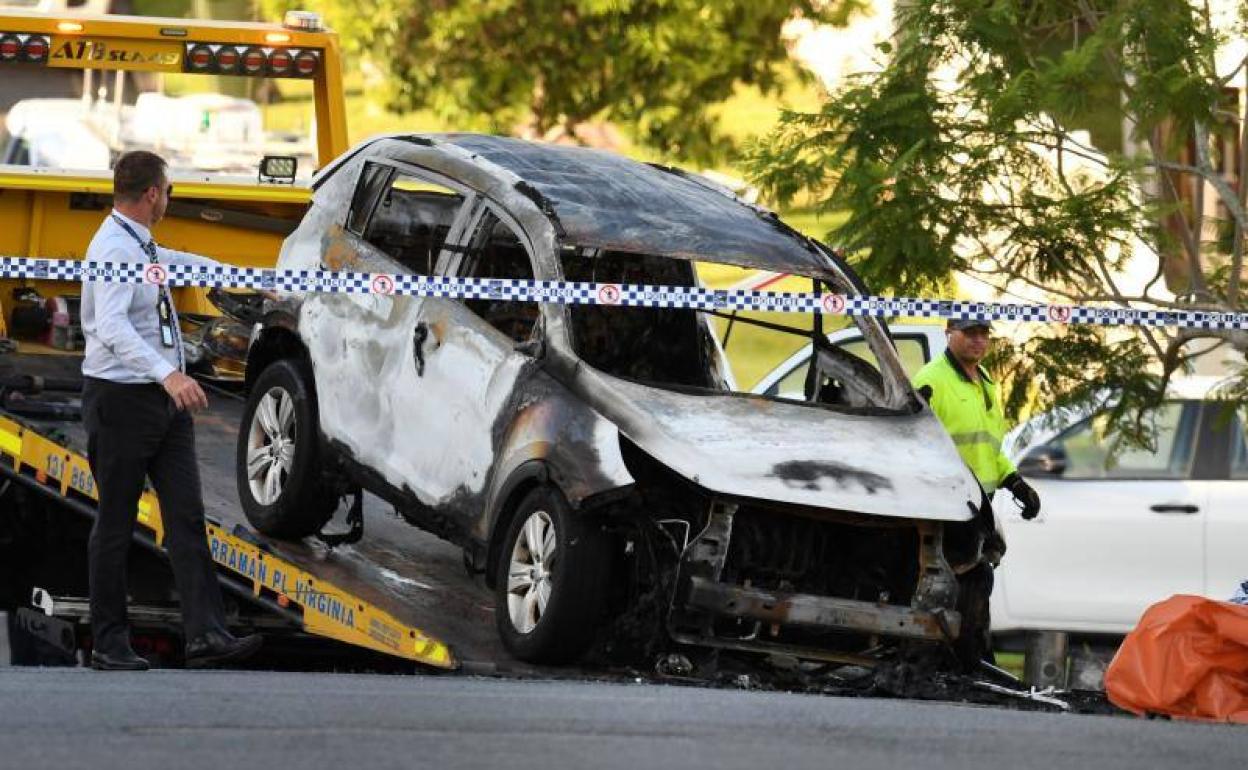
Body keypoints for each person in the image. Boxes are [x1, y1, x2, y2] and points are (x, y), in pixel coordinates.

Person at [80, 150, 262, 671]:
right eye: (170, 191)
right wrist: (170, 374)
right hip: (122, 401)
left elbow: (174, 262)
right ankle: (109, 643)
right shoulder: (112, 247)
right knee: (115, 522)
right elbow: (111, 327)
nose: (170, 199)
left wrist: (237, 277)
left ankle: (206, 634)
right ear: (153, 194)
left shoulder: (138, 241)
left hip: (163, 403)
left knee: (185, 517)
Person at [911, 319, 1041, 519]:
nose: (979, 340)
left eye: (984, 333)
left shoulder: (984, 378)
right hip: (947, 507)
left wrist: (1015, 482)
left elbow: (987, 446)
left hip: (982, 505)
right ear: (949, 333)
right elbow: (915, 451)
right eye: (970, 333)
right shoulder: (929, 381)